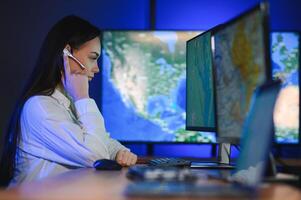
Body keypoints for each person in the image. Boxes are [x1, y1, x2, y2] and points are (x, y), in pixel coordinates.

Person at [0, 15, 137, 187]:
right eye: (93, 58)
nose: (97, 68)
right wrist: (82, 97)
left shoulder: (64, 102)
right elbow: (96, 154)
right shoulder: (40, 107)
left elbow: (101, 141)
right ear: (67, 53)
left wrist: (118, 151)